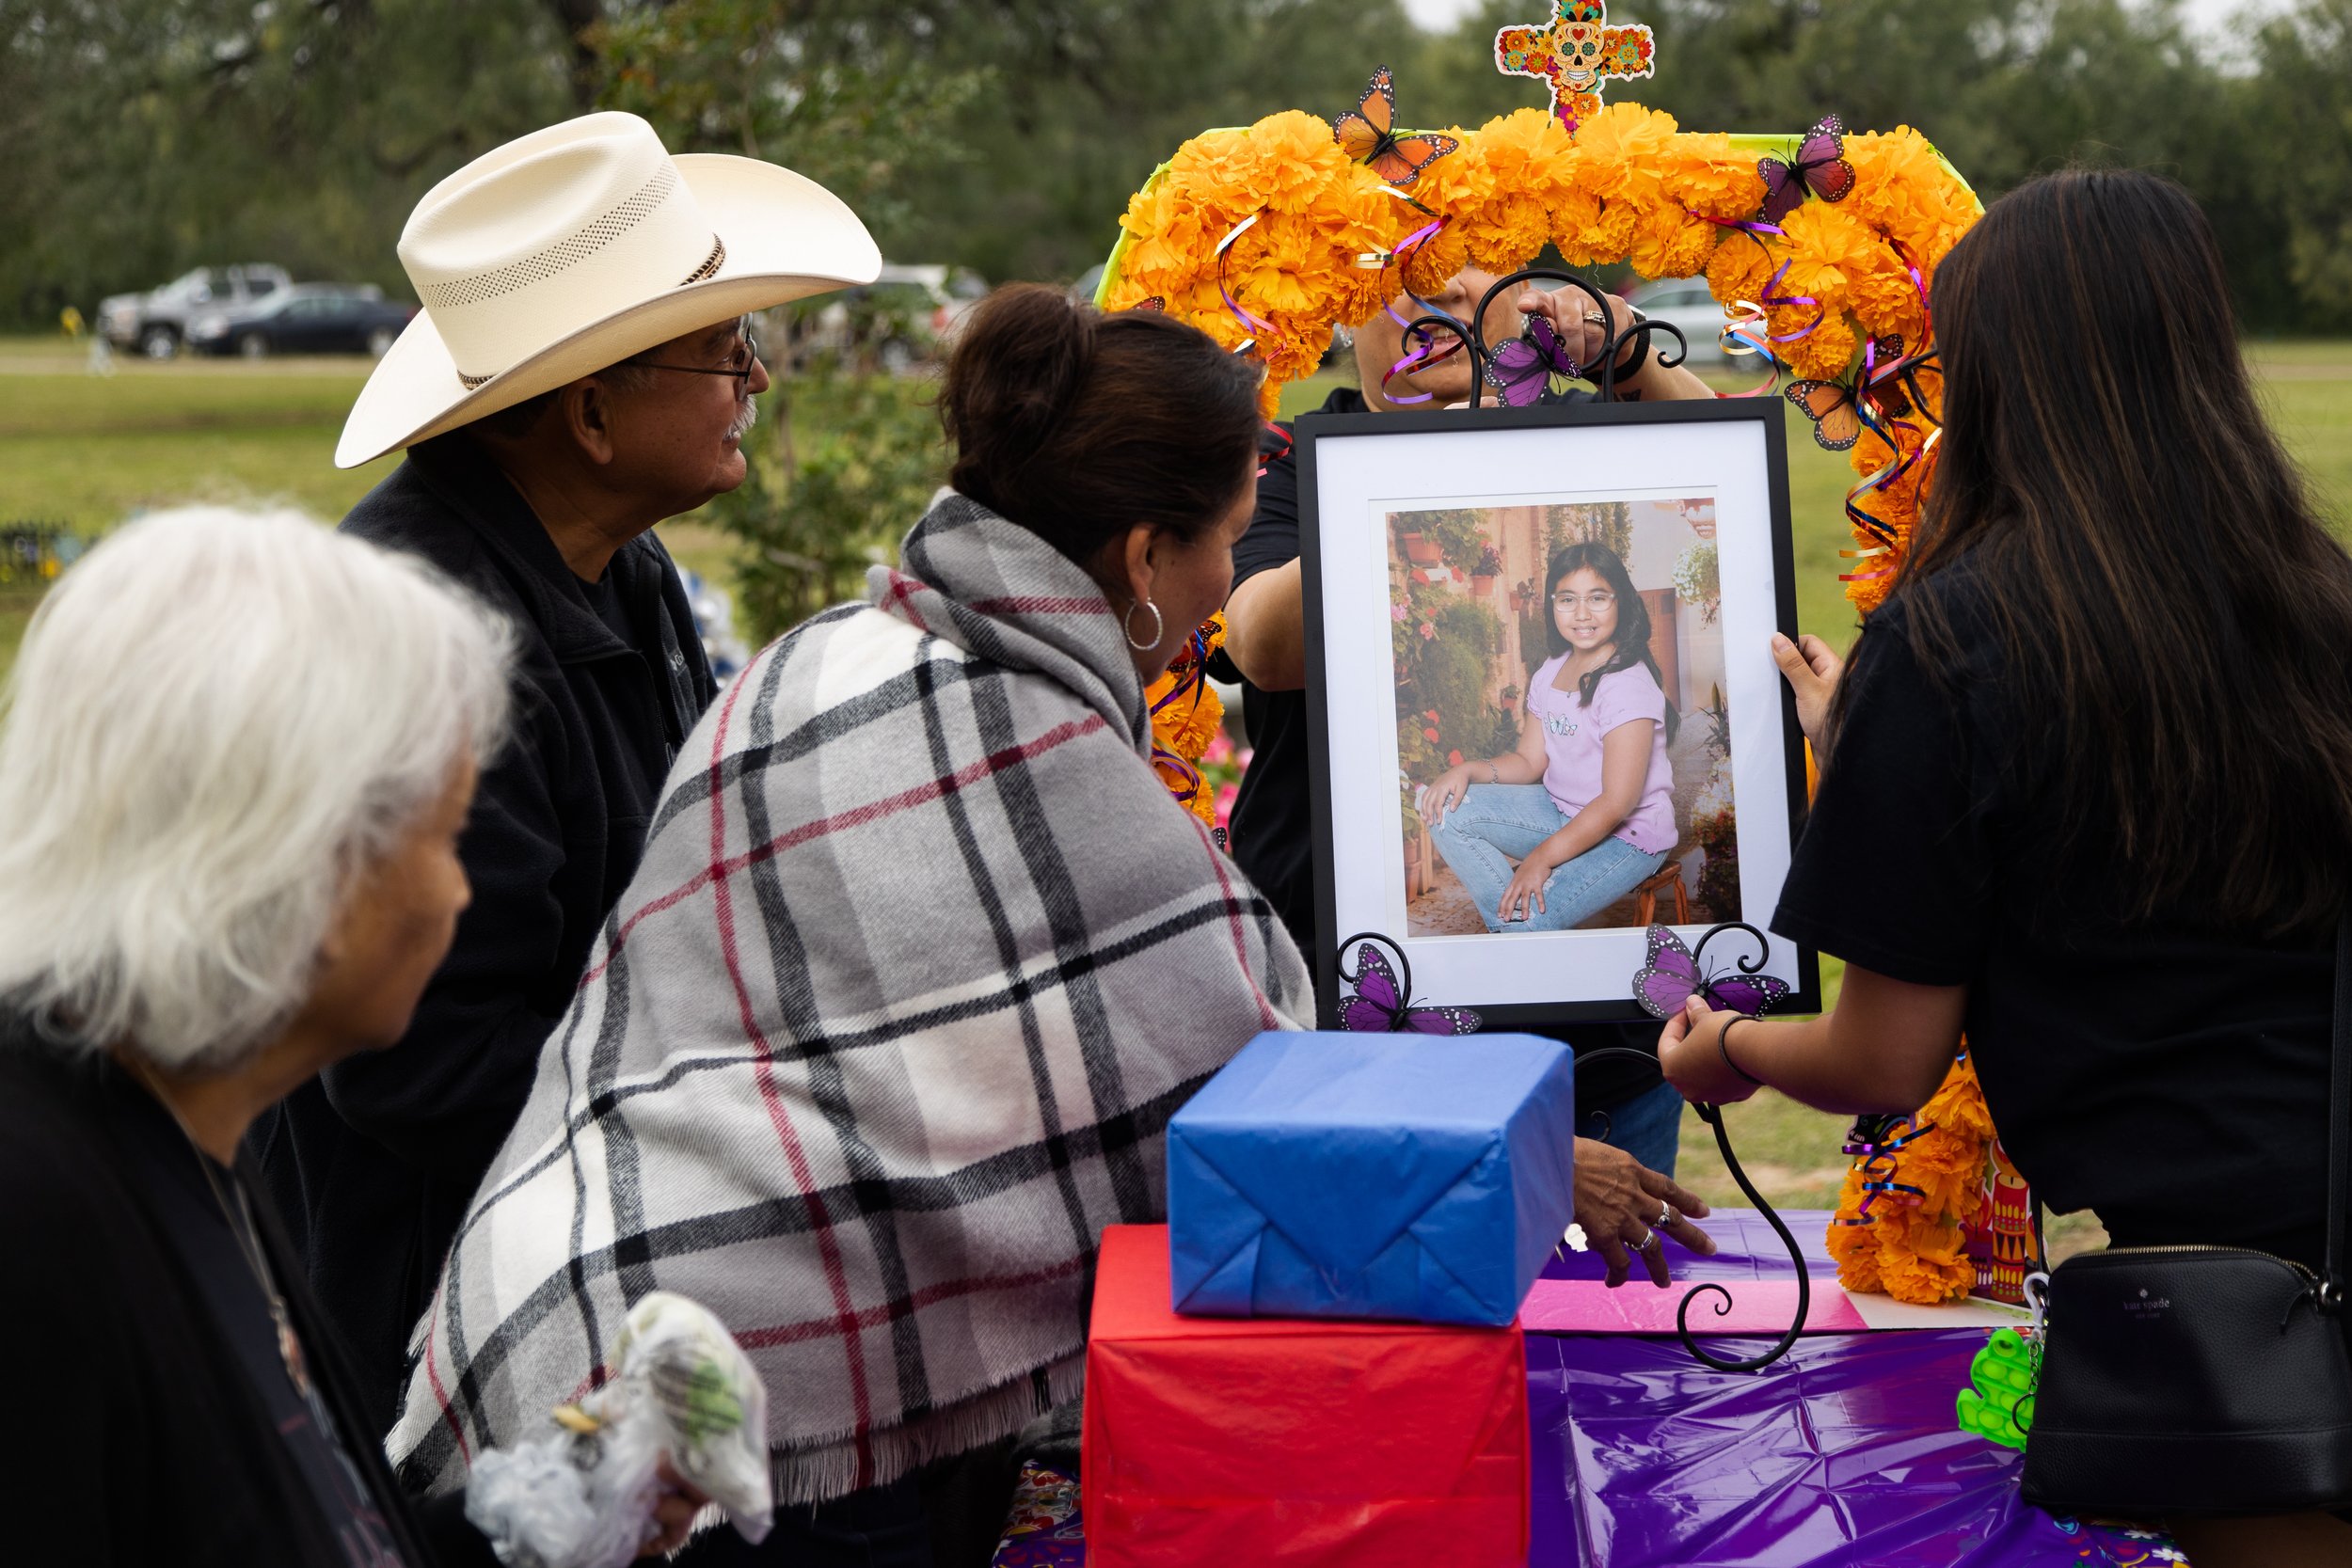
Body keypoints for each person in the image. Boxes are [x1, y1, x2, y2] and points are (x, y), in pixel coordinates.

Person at [387, 285, 1316, 1567]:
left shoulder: (814, 656)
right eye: (1225, 540)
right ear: (1147, 557)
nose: (1230, 579)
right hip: (753, 1413)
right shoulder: (1056, 763)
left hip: (565, 1305)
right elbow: (1242, 1097)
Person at [1661, 170, 2352, 1564]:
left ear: (1990, 377)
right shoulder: (2320, 592)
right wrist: (1874, 737)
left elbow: (1882, 1059)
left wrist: (1725, 1043)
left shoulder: (1960, 640)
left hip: (2251, 1290)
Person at [256, 110, 882, 1434]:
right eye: (725, 349)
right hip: (459, 1335)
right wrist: (742, 1123)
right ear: (594, 412)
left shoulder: (614, 561)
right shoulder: (430, 640)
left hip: (574, 1253)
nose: (755, 380)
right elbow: (428, 1072)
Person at [0, 509, 705, 1565]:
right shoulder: (38, 1216)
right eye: (441, 834)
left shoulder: (182, 1119)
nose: (462, 887)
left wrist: (544, 1512)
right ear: (300, 852)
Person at [1216, 262, 1719, 1270]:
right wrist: (1411, 473)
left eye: (1469, 281)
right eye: (1397, 282)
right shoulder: (1291, 465)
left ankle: (1537, 904)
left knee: (1612, 1354)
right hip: (1360, 1047)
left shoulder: (1584, 442)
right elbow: (1261, 647)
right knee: (1392, 1338)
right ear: (1340, 305)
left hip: (1595, 1051)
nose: (1432, 311)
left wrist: (1613, 340)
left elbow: (1722, 460)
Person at [1422, 541, 1678, 932]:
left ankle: (1514, 927)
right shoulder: (1553, 667)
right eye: (1567, 599)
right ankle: (1512, 921)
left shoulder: (1626, 684)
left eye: (1597, 598)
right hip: (1559, 812)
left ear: (1620, 601)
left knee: (1522, 926)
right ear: (1551, 604)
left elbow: (1616, 803)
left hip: (1626, 835)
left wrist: (1540, 859)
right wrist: (1468, 770)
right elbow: (1529, 762)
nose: (1581, 614)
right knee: (1443, 808)